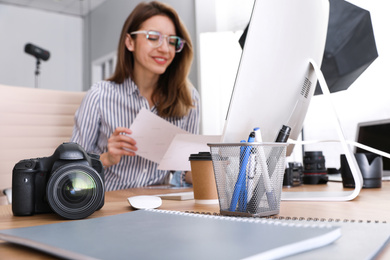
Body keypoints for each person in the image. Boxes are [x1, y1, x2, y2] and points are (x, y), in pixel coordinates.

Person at [71, 1, 200, 191]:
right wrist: (106, 158)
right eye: (153, 37)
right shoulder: (99, 96)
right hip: (108, 204)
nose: (165, 49)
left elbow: (182, 171)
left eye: (172, 40)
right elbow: (70, 167)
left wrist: (206, 167)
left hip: (159, 205)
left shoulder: (188, 99)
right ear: (129, 42)